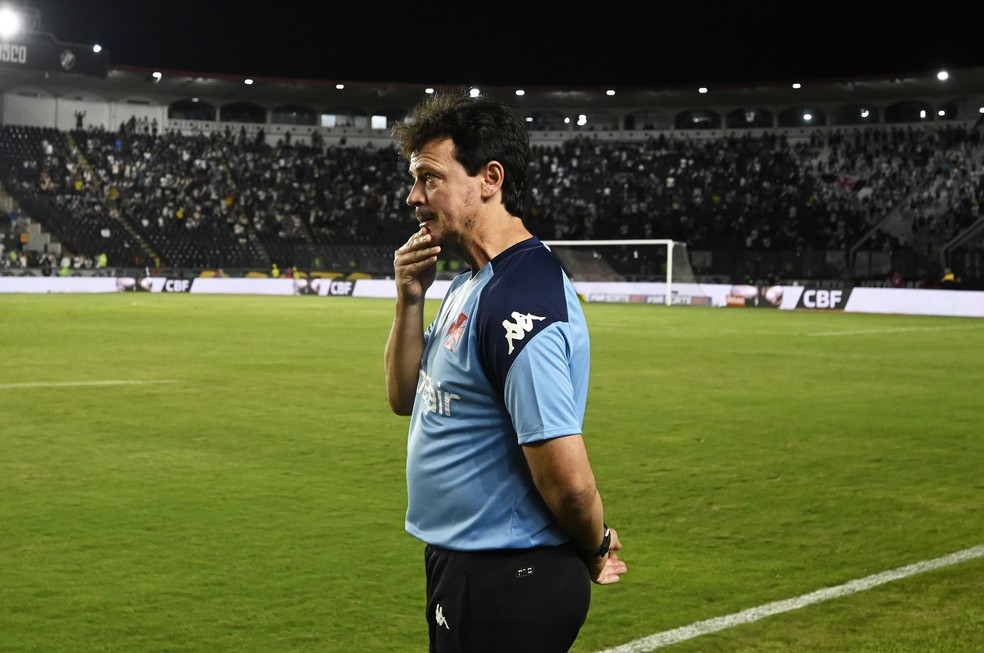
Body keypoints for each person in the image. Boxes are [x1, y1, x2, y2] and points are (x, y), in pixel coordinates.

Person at [384, 92, 627, 653]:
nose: (413, 196)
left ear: (490, 179)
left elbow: (567, 480)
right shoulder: (469, 283)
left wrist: (595, 544)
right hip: (469, 564)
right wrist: (409, 298)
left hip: (511, 576)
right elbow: (404, 397)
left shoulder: (521, 301)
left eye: (429, 178)